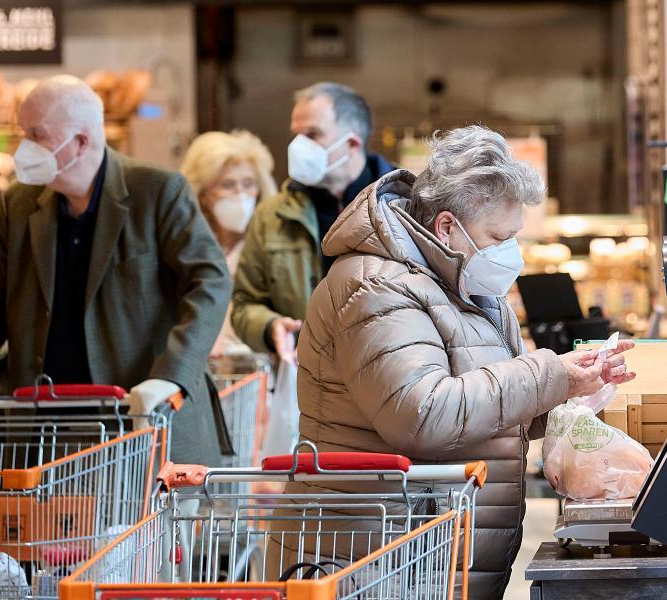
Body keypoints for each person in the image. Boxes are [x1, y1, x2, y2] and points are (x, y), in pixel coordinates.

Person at [289, 125, 635, 598]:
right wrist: (547, 374)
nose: (510, 253)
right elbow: (424, 414)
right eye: (499, 236)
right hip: (374, 562)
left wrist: (570, 388)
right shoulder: (374, 286)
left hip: (435, 557)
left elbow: (487, 407)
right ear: (447, 226)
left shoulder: (466, 287)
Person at [0, 75, 230, 465]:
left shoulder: (157, 191)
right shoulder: (19, 205)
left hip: (143, 421)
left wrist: (171, 375)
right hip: (45, 434)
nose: (24, 148)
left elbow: (209, 281)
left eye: (37, 135)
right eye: (23, 133)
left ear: (81, 141)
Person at [231, 82, 394, 359]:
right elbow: (245, 304)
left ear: (352, 143)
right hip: (308, 381)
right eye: (296, 135)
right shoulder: (272, 217)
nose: (298, 147)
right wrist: (270, 327)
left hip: (387, 374)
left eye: (312, 134)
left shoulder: (405, 207)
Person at [180, 130, 277, 356]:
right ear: (203, 194)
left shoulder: (268, 244)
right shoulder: (188, 245)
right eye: (228, 185)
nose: (241, 194)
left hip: (257, 366)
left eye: (248, 183)